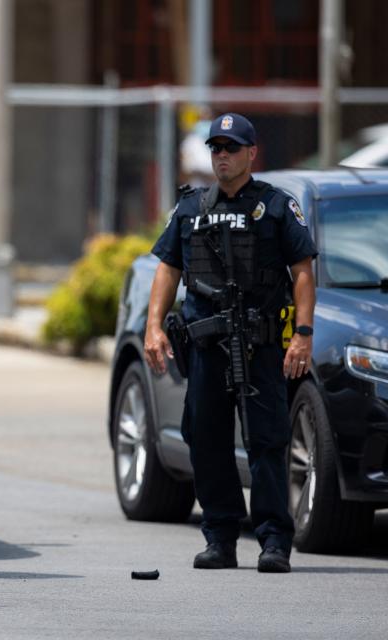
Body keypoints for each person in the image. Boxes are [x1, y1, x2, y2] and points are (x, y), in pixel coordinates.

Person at [143, 113, 317, 573]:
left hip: (260, 343)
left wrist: (302, 334)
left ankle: (274, 541)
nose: (222, 156)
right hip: (205, 345)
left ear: (251, 153)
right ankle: (219, 538)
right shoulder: (190, 207)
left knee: (267, 441)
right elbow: (168, 267)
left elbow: (302, 271)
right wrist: (153, 326)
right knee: (206, 440)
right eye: (216, 148)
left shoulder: (277, 205)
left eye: (231, 148)